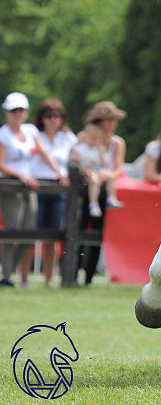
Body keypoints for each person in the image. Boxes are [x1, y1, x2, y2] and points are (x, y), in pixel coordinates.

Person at [0, 93, 69, 288]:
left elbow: (44, 152)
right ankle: (6, 275)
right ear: (6, 112)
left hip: (30, 186)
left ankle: (9, 271)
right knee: (13, 231)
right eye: (14, 110)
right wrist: (22, 176)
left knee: (29, 232)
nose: (18, 114)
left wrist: (58, 171)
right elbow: (1, 163)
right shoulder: (3, 134)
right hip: (10, 186)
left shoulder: (30, 131)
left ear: (26, 112)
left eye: (21, 110)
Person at [77, 101, 126, 286]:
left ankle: (89, 277)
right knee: (79, 230)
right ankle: (73, 273)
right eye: (108, 120)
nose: (112, 124)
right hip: (85, 189)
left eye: (114, 120)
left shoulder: (117, 142)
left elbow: (118, 168)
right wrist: (88, 173)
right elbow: (77, 159)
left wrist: (104, 176)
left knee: (97, 234)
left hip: (104, 189)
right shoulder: (84, 136)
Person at [31, 98, 77, 287]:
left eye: (57, 115)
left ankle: (49, 279)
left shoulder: (68, 138)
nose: (53, 119)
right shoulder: (34, 135)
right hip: (36, 187)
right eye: (49, 115)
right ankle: (24, 278)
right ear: (41, 118)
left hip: (59, 189)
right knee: (31, 235)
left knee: (53, 236)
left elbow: (76, 159)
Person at [71, 121, 122, 218]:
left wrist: (101, 152)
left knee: (109, 176)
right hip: (88, 170)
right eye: (92, 138)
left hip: (98, 169)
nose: (94, 141)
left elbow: (103, 163)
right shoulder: (80, 148)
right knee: (95, 181)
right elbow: (75, 161)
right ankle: (93, 204)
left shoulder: (99, 149)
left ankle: (111, 198)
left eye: (96, 139)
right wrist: (84, 170)